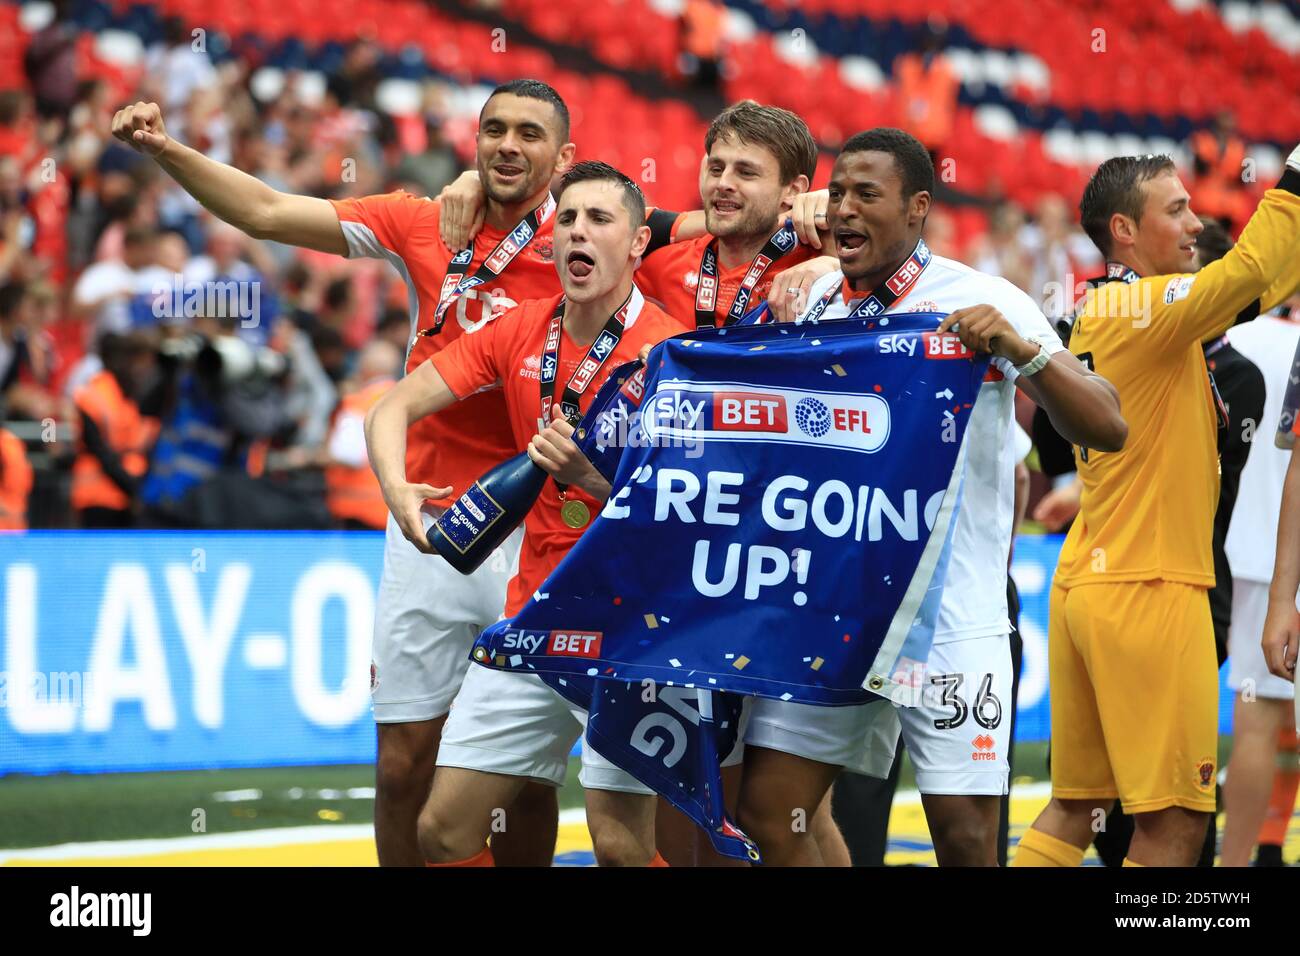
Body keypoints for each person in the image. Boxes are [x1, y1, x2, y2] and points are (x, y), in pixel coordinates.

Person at [111, 78, 574, 865]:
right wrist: (165, 148)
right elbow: (265, 210)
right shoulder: (423, 223)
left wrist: (803, 226)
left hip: (537, 533)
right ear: (474, 141)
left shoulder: (585, 241)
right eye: (494, 128)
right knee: (400, 765)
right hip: (426, 523)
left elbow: (701, 232)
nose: (506, 144)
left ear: (563, 158)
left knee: (523, 780)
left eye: (529, 134)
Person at [760, 127, 1125, 867]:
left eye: (868, 194)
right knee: (773, 812)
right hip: (835, 609)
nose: (844, 210)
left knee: (963, 841)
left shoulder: (987, 299)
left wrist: (1021, 353)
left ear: (919, 206)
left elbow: (1106, 424)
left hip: (951, 617)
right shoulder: (811, 301)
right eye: (837, 194)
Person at [365, 161, 690, 866]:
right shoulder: (520, 330)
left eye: (599, 221)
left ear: (637, 244)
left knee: (620, 843)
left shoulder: (671, 356)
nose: (578, 232)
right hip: (535, 619)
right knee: (443, 832)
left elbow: (694, 512)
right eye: (568, 219)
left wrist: (593, 481)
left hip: (630, 627)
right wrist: (399, 492)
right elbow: (394, 407)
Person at [1017, 146, 1300, 867]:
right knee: (1174, 825)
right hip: (1151, 586)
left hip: (1089, 580)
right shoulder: (1145, 308)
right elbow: (1248, 272)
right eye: (1176, 210)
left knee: (1075, 806)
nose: (1195, 223)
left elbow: (1265, 281)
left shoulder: (1107, 307)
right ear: (1124, 231)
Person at [1221, 290, 1300, 866]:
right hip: (1269, 553)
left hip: (1254, 553)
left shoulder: (1232, 341)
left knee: (1255, 726)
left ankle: (1234, 866)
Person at [70, 332, 158, 528]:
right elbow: (100, 452)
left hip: (134, 497)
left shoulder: (138, 395)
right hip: (100, 499)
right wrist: (134, 489)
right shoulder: (94, 395)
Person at [325, 340, 401, 531]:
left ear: (363, 367)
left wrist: (309, 457)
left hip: (357, 511)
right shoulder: (405, 400)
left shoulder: (358, 403)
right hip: (396, 511)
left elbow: (346, 454)